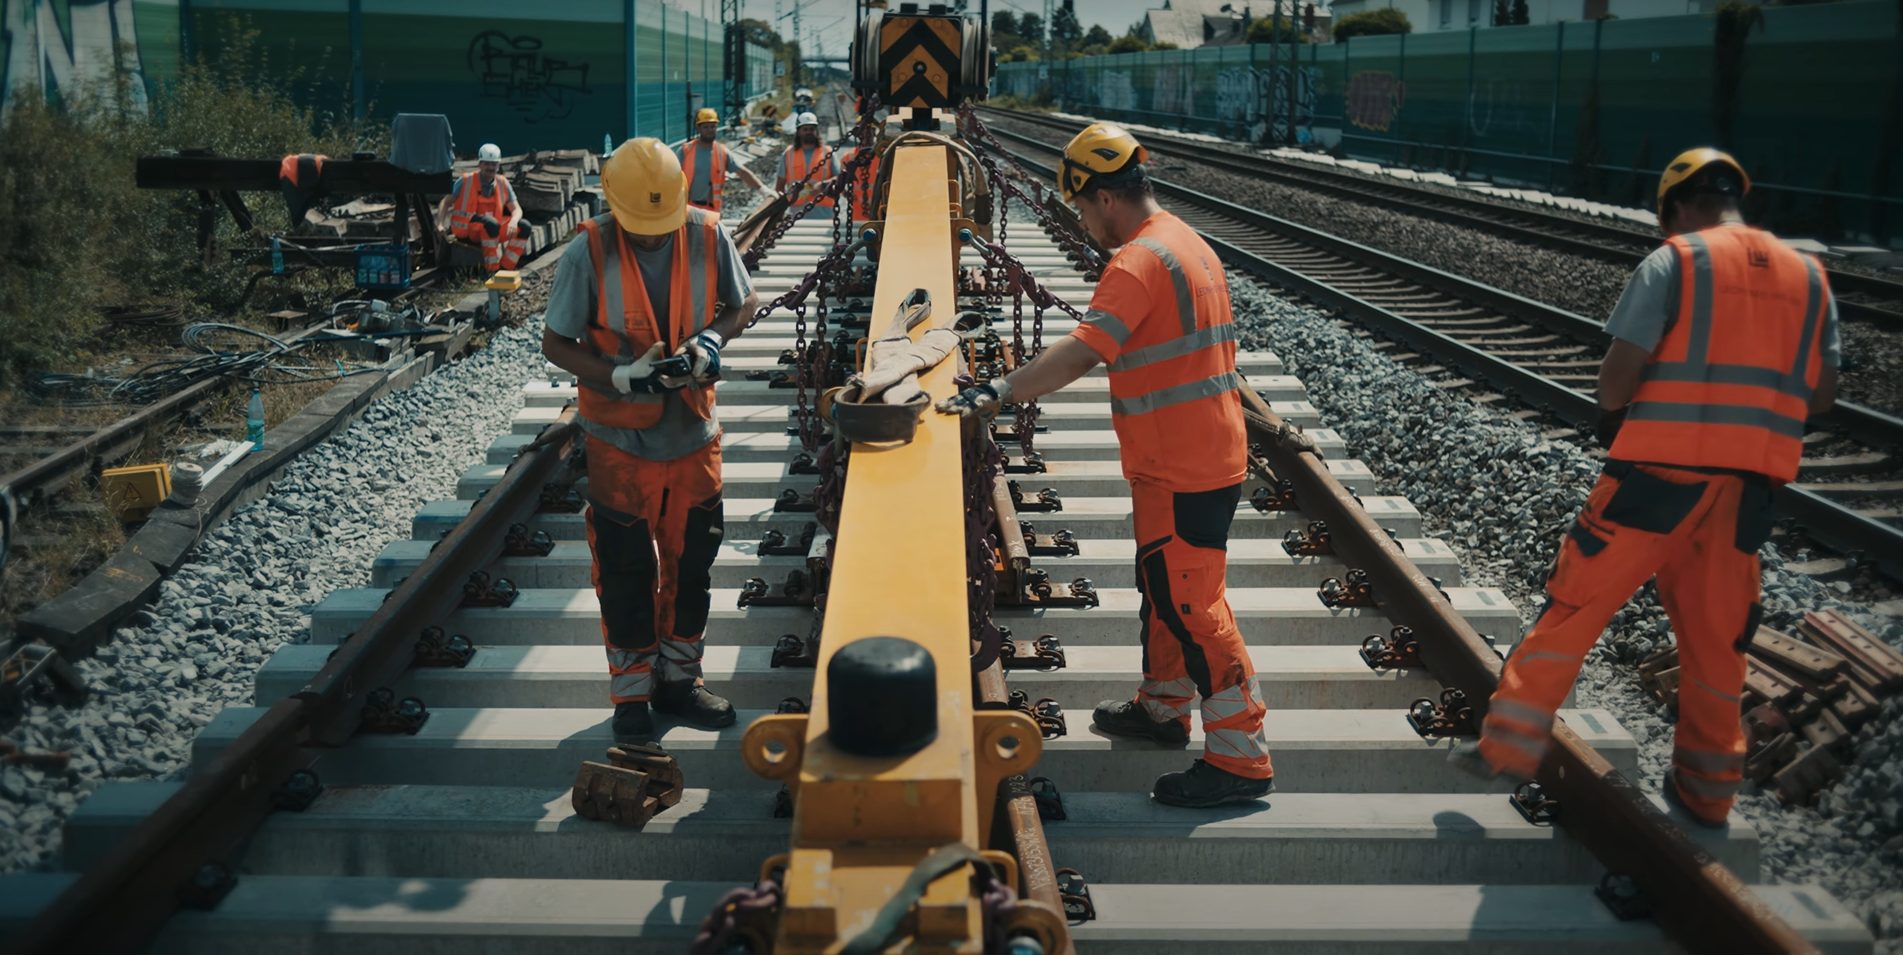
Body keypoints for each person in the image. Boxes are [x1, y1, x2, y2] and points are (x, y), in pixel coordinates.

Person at [1450, 148, 1840, 829]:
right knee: (1718, 644)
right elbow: (1822, 394)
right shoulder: (1808, 277)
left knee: (1575, 606)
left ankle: (1506, 745)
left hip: (1655, 480)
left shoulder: (1678, 262)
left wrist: (1622, 409)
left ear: (1676, 208)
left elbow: (1617, 376)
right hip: (1745, 493)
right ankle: (1708, 791)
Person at [937, 123, 1274, 808]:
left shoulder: (1138, 261)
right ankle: (1162, 707)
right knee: (1163, 587)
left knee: (1193, 606)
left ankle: (1241, 757)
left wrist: (998, 390)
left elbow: (1086, 349)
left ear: (1105, 198)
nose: (1085, 223)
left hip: (1184, 463)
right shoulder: (1185, 241)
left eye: (1083, 209)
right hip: (1189, 454)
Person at [541, 138, 760, 745]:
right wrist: (619, 376)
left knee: (692, 567)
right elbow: (555, 343)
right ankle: (632, 695)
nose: (653, 238)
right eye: (641, 229)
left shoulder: (708, 234)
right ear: (616, 207)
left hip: (692, 433)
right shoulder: (589, 250)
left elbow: (743, 304)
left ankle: (679, 683)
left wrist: (712, 339)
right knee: (626, 571)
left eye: (661, 227)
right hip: (619, 442)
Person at [440, 143, 529, 272]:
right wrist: (440, 224)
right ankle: (492, 270)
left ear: (498, 166)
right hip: (467, 230)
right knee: (490, 224)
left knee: (524, 226)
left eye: (494, 164)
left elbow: (516, 209)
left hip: (493, 227)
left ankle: (506, 267)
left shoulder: (503, 183)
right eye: (487, 164)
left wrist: (514, 221)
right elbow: (445, 202)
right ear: (480, 164)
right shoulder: (466, 180)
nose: (490, 168)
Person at [675, 108, 765, 214]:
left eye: (713, 126)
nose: (710, 130)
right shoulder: (685, 151)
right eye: (706, 127)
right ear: (698, 128)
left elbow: (742, 172)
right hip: (687, 209)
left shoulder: (722, 152)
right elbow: (670, 177)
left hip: (711, 212)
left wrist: (763, 189)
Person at [776, 113, 838, 213]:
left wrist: (822, 185)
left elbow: (839, 177)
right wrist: (780, 210)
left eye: (811, 129)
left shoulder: (828, 152)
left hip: (824, 211)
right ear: (799, 132)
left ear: (816, 131)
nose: (809, 132)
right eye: (805, 129)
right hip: (796, 211)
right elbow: (780, 184)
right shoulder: (788, 154)